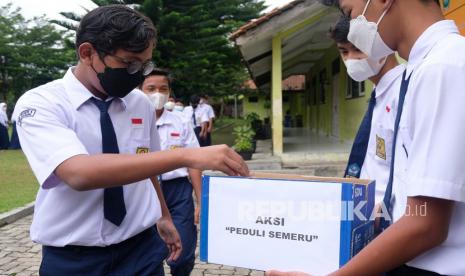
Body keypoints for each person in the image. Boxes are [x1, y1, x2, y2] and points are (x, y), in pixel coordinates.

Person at [14, 5, 248, 276]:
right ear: (87, 53)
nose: (138, 73)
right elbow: (78, 173)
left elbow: (147, 164)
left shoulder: (139, 103)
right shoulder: (41, 104)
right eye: (128, 63)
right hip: (75, 258)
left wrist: (163, 215)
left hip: (141, 249)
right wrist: (185, 155)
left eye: (144, 64)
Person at [268, 0, 465, 275]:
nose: (355, 24)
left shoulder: (444, 67)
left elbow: (427, 225)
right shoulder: (423, 69)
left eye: (350, 12)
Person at [330, 14, 405, 205]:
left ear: (383, 44)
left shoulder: (405, 93)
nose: (351, 59)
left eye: (358, 49)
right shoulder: (379, 94)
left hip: (389, 217)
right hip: (365, 214)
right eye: (344, 52)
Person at [140, 68, 202, 276]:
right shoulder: (130, 122)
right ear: (140, 90)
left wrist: (201, 201)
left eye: (163, 89)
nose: (157, 93)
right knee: (148, 253)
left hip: (177, 192)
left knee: (182, 256)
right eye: (151, 88)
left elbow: (194, 162)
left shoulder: (181, 121)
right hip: (143, 191)